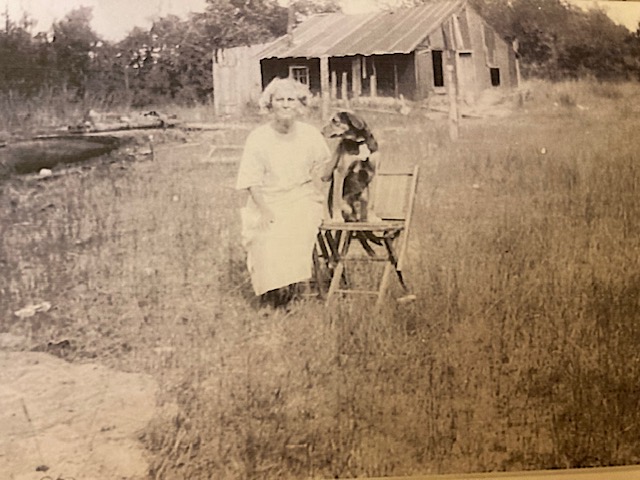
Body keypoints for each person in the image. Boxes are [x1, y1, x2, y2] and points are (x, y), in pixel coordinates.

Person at [236, 77, 332, 308]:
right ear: (270, 104)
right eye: (280, 100)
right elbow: (251, 181)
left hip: (303, 198)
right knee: (263, 233)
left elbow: (323, 172)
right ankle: (271, 295)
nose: (286, 104)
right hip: (266, 200)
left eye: (291, 99)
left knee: (292, 230)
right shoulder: (258, 138)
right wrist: (266, 210)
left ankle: (290, 293)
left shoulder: (310, 135)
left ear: (300, 104)